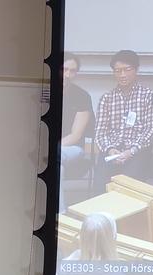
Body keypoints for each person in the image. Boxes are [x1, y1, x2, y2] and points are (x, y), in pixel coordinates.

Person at [93, 50, 153, 190]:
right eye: (118, 71)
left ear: (136, 70)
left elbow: (151, 130)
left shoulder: (149, 95)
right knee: (101, 184)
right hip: (112, 151)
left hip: (137, 151)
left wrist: (131, 151)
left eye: (127, 70)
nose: (122, 75)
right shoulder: (107, 98)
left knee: (127, 186)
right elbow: (100, 132)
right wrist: (110, 149)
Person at [59, 54, 94, 213]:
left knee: (53, 157)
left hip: (72, 148)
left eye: (72, 71)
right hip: (52, 152)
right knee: (57, 167)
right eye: (64, 69)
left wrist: (52, 147)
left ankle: (61, 214)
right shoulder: (44, 91)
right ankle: (61, 214)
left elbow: (76, 135)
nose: (67, 75)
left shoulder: (82, 96)